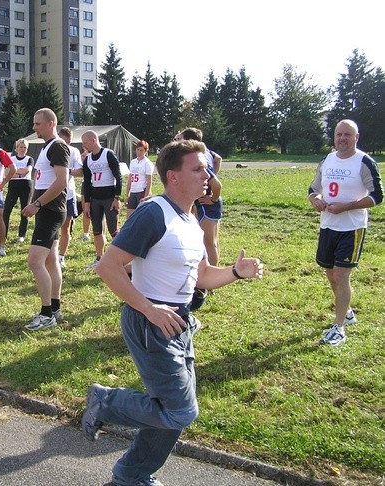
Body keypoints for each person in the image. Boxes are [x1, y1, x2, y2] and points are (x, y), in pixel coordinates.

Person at [82, 139, 263, 486]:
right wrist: (149, 310)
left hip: (178, 323)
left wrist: (236, 272)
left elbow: (204, 276)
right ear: (173, 176)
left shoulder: (191, 220)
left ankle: (133, 474)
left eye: (206, 168)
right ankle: (105, 402)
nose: (207, 174)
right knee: (181, 409)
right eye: (197, 168)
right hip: (150, 320)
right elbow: (108, 266)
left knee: (171, 411)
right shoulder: (154, 213)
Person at [308, 119, 383, 346]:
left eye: (347, 135)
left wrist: (346, 206)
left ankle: (339, 328)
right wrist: (316, 200)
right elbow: (313, 189)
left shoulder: (364, 161)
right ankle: (347, 313)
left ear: (356, 137)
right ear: (334, 137)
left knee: (341, 276)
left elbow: (377, 196)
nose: (342, 138)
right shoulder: (327, 160)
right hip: (328, 226)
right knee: (331, 274)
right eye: (339, 134)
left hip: (352, 228)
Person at [21, 108, 69, 330]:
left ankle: (46, 313)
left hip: (50, 211)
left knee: (35, 261)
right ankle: (55, 308)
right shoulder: (47, 146)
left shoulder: (58, 146)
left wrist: (37, 204)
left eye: (37, 124)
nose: (34, 128)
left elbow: (61, 182)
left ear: (51, 123)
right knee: (51, 260)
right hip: (47, 211)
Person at [176, 128, 223, 266]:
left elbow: (217, 186)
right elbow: (218, 158)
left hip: (208, 203)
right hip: (201, 203)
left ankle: (211, 277)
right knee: (208, 241)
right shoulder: (206, 153)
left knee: (209, 243)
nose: (178, 143)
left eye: (181, 140)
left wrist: (212, 198)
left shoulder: (200, 161)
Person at [81, 130, 123, 269]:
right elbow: (87, 182)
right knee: (97, 230)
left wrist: (117, 197)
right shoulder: (87, 159)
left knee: (113, 230)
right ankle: (99, 258)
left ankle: (122, 259)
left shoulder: (108, 154)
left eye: (85, 142)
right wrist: (87, 203)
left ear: (93, 140)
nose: (84, 145)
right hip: (95, 199)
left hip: (109, 198)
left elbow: (118, 176)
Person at [57, 127, 84, 269]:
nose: (67, 145)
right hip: (53, 195)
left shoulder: (74, 151)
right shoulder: (52, 148)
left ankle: (61, 257)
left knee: (66, 228)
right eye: (64, 142)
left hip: (69, 194)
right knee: (53, 228)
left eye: (69, 142)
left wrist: (67, 171)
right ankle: (51, 255)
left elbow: (80, 171)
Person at [2, 138, 34, 243]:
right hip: (13, 186)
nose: (23, 149)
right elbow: (7, 173)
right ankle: (4, 235)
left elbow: (27, 171)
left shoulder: (30, 159)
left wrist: (15, 173)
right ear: (16, 148)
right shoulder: (11, 159)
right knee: (6, 211)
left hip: (26, 185)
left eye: (25, 147)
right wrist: (19, 173)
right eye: (21, 147)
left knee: (24, 210)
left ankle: (21, 235)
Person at [124, 140, 154, 218]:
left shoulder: (147, 163)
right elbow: (130, 179)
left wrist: (146, 197)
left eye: (141, 150)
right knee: (129, 216)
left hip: (141, 191)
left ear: (145, 151)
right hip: (133, 191)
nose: (139, 152)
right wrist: (127, 195)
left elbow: (149, 182)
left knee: (141, 216)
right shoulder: (133, 162)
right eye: (138, 150)